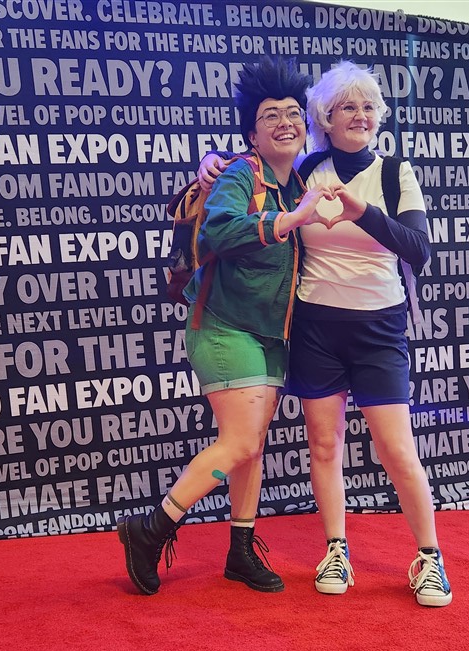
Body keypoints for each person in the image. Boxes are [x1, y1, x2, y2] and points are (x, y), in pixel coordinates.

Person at [198, 61, 452, 607]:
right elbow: (254, 169)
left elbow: (419, 249)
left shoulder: (395, 173)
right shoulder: (306, 169)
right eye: (346, 108)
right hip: (316, 328)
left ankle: (430, 557)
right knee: (323, 444)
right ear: (325, 119)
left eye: (368, 107)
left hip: (380, 327)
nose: (360, 116)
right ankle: (336, 549)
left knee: (397, 449)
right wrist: (210, 161)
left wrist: (363, 212)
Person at [117, 55, 330, 596]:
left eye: (293, 113)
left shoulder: (301, 179)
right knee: (238, 442)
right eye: (270, 115)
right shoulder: (240, 173)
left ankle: (240, 550)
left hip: (272, 335)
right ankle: (150, 529)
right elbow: (219, 231)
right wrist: (289, 219)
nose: (285, 122)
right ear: (251, 134)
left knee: (251, 446)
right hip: (222, 324)